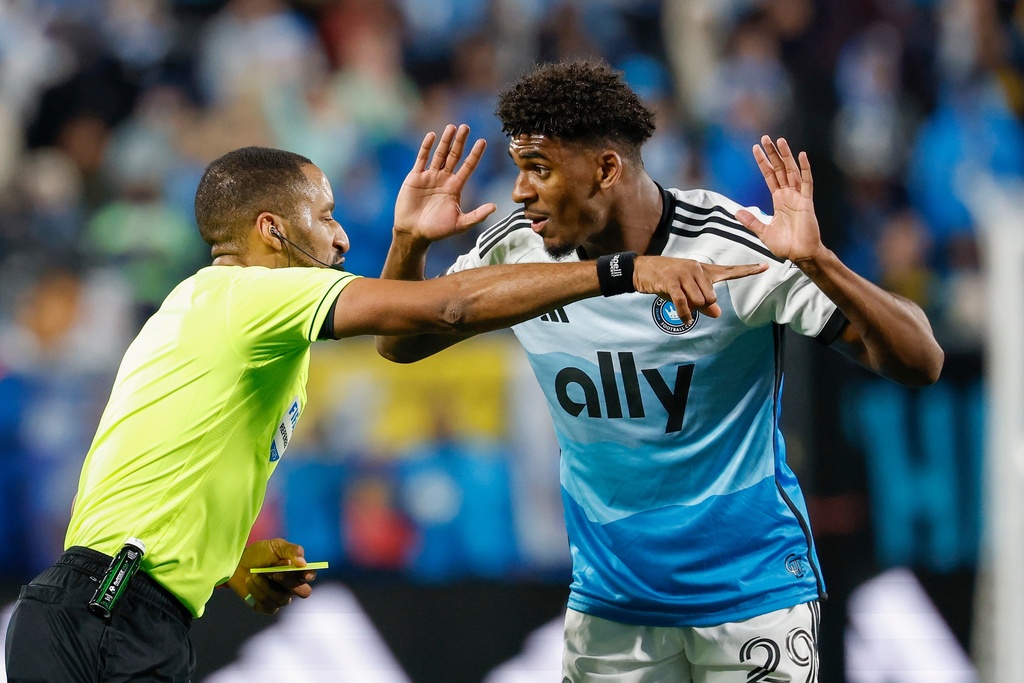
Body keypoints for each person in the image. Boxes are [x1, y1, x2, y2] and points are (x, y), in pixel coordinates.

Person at [3, 125, 767, 683]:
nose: (340, 237)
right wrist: (619, 270)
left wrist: (233, 563)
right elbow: (447, 311)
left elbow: (154, 481)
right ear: (271, 230)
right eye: (326, 214)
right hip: (110, 614)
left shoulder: (229, 317)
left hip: (117, 607)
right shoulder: (248, 296)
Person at [375, 61, 944, 682]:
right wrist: (409, 243)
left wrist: (820, 262)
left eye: (538, 169)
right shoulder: (517, 247)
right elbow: (399, 345)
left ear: (607, 169)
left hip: (751, 601)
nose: (519, 191)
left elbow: (921, 361)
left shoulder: (732, 244)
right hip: (611, 605)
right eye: (519, 169)